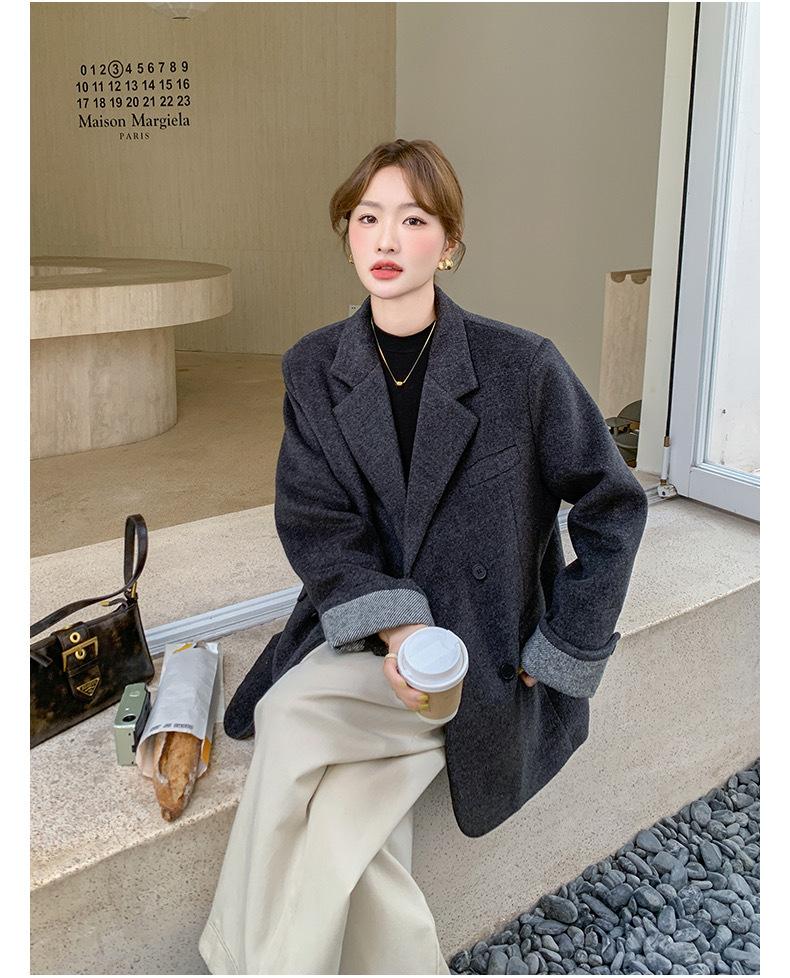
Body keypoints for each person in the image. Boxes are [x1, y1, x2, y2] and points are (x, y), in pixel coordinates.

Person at [200, 139, 649, 975]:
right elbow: (316, 521)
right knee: (326, 773)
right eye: (367, 217)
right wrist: (400, 630)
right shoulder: (315, 368)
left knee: (296, 726)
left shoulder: (521, 366)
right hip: (372, 632)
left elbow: (613, 503)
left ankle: (237, 958)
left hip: (485, 649)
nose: (385, 239)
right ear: (346, 233)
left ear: (448, 244)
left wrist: (561, 646)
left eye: (412, 220)